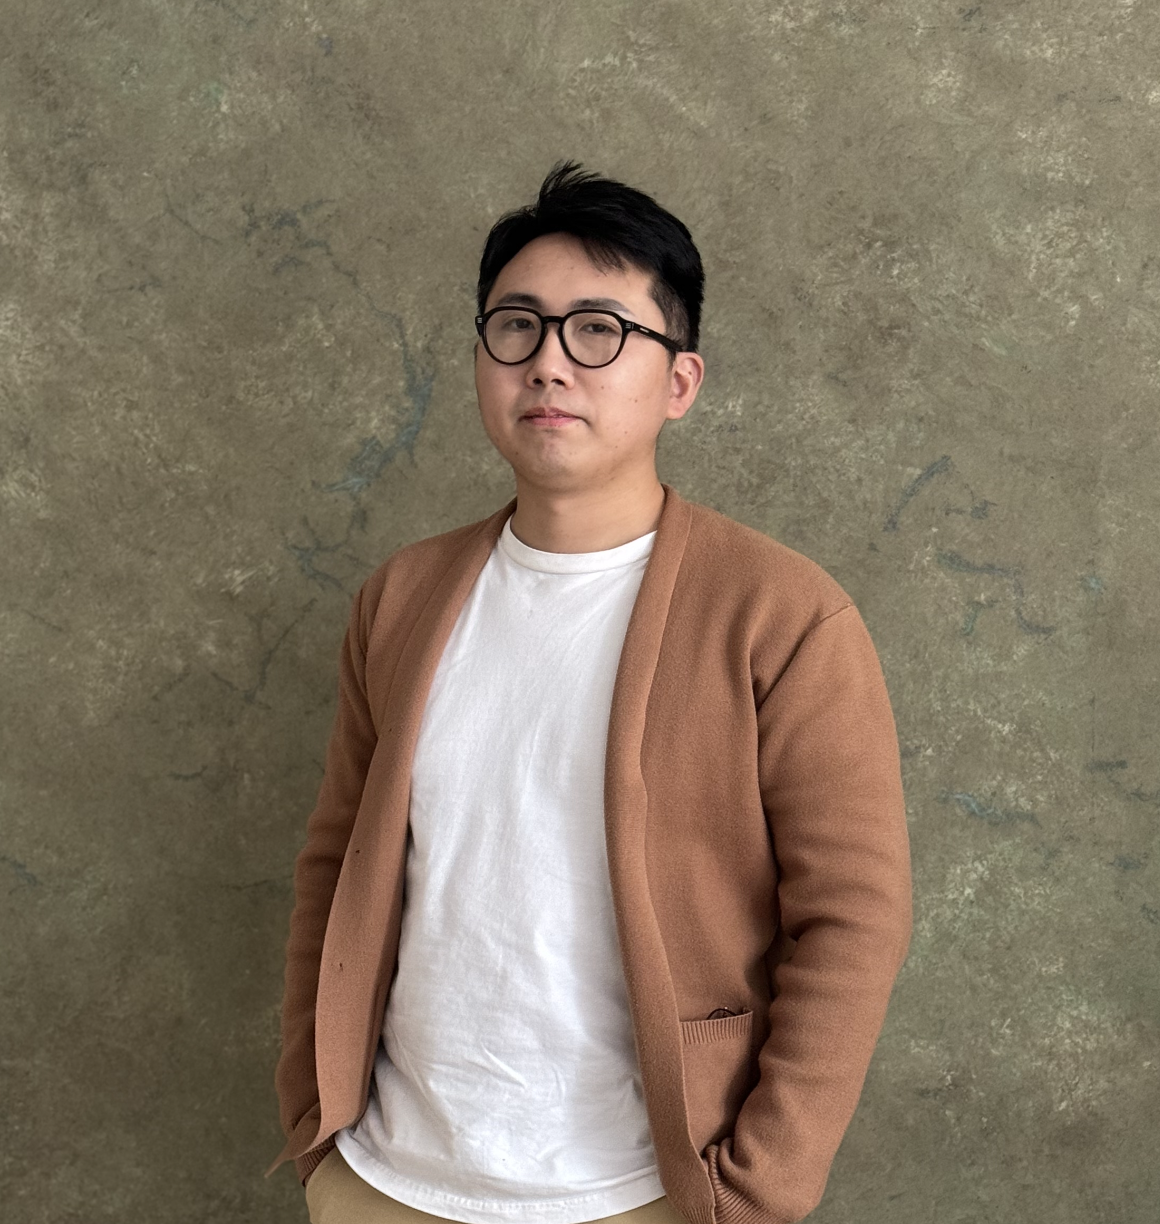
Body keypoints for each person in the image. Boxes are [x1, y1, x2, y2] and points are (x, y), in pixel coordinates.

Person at [267, 162, 912, 1224]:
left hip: (645, 1192)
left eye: (598, 330)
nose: (549, 363)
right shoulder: (401, 600)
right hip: (385, 1180)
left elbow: (852, 917)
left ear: (678, 381)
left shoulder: (782, 616)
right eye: (516, 326)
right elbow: (334, 864)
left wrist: (757, 1188)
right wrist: (317, 1128)